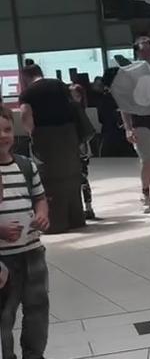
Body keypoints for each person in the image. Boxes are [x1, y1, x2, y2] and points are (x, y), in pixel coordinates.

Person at [0, 105, 50, 359]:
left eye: (7, 129)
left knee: (37, 308)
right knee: (5, 314)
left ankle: (34, 354)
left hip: (32, 253)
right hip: (3, 262)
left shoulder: (26, 166)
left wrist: (42, 214)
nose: (2, 136)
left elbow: (39, 198)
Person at [19, 64, 84, 233]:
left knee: (49, 178)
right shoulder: (59, 85)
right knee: (72, 174)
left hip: (45, 138)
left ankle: (57, 223)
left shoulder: (28, 93)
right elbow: (75, 101)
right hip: (69, 135)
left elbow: (26, 115)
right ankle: (76, 218)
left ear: (26, 77)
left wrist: (31, 132)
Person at [121, 36, 150, 213]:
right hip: (140, 122)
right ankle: (145, 193)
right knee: (148, 161)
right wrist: (127, 127)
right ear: (137, 52)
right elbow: (124, 102)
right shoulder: (129, 73)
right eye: (143, 50)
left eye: (149, 49)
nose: (147, 53)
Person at [69, 84, 97, 220]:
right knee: (81, 179)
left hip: (80, 150)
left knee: (82, 179)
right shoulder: (77, 110)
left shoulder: (78, 111)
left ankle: (88, 207)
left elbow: (88, 132)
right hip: (80, 149)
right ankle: (87, 207)